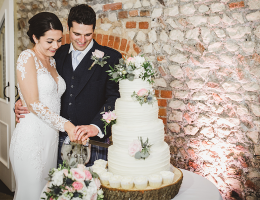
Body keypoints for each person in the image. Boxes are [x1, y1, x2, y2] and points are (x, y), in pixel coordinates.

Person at [15, 4, 121, 167]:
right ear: (68, 28)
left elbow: (114, 99)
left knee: (95, 191)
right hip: (56, 139)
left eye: (88, 34)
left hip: (93, 142)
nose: (82, 40)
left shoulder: (112, 58)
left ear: (94, 30)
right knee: (56, 189)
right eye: (76, 33)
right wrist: (19, 102)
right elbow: (37, 84)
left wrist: (96, 127)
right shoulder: (55, 53)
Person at [9, 12, 78, 199]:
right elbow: (32, 103)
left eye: (58, 40)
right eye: (49, 41)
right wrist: (66, 125)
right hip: (31, 139)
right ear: (35, 37)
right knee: (31, 194)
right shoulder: (26, 57)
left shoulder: (53, 61)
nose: (55, 45)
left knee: (46, 194)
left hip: (50, 140)